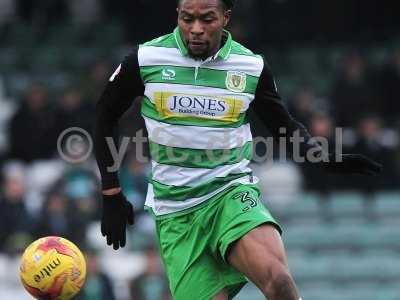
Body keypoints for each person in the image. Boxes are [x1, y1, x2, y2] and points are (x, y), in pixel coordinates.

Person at [94, 1, 382, 299]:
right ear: (177, 15)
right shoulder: (146, 58)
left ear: (225, 18)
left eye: (207, 19)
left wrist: (323, 157)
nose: (196, 29)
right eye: (187, 18)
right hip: (176, 212)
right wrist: (111, 192)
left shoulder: (250, 67)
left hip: (229, 192)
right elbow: (104, 117)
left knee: (279, 280)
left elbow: (283, 126)